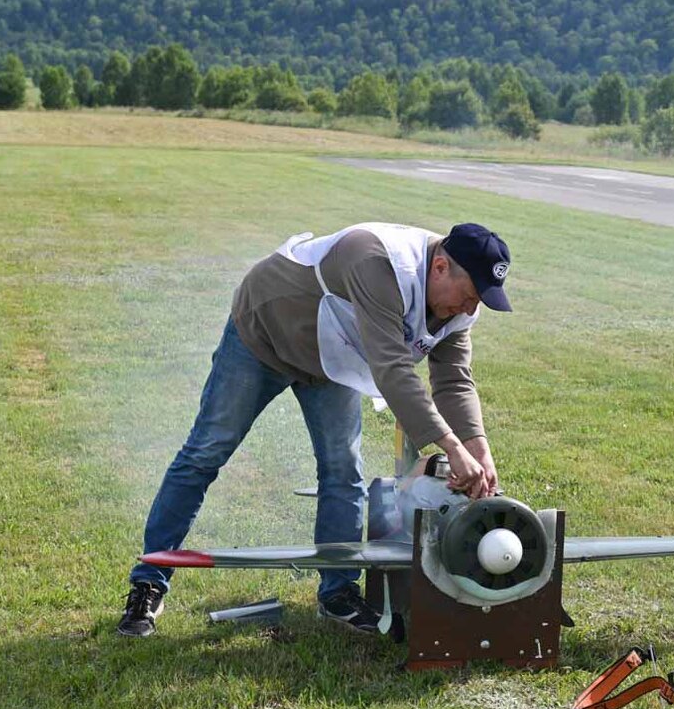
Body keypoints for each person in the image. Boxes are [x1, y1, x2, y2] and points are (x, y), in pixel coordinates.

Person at [117, 222, 513, 637]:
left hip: (332, 358)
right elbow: (394, 369)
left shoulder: (460, 304)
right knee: (205, 452)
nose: (470, 310)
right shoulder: (377, 260)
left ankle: (338, 594)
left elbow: (453, 378)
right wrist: (450, 445)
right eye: (468, 296)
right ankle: (149, 582)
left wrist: (478, 446)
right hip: (264, 335)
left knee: (343, 470)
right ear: (440, 267)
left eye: (478, 302)